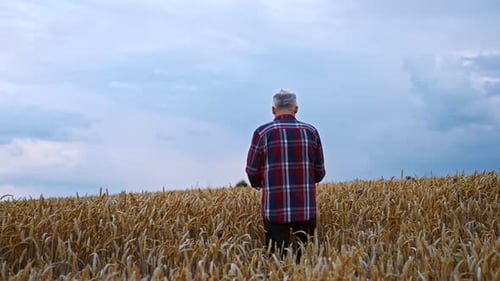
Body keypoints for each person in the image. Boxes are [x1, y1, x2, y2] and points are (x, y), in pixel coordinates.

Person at [245, 89, 326, 261]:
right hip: (306, 210)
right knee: (305, 262)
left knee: (277, 262)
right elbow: (319, 173)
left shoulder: (262, 133)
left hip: (274, 210)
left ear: (273, 110)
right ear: (296, 109)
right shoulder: (311, 132)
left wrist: (262, 183)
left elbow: (252, 172)